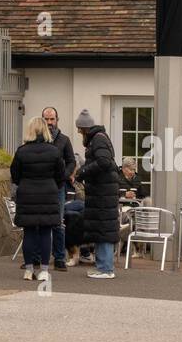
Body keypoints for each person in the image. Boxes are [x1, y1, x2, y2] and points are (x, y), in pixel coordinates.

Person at [10, 116, 66, 282]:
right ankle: (43, 270)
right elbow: (60, 175)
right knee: (45, 232)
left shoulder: (21, 151)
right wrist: (52, 185)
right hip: (48, 193)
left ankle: (28, 269)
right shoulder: (54, 151)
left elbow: (15, 175)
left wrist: (25, 183)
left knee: (28, 233)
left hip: (27, 193)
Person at [74, 110, 120, 279]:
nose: (79, 132)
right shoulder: (99, 138)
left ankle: (106, 268)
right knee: (101, 229)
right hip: (103, 191)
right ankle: (102, 266)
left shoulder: (98, 139)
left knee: (103, 230)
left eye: (79, 129)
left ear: (85, 128)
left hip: (103, 192)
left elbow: (103, 162)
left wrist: (83, 171)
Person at [42, 107, 77, 272]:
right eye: (46, 119)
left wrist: (65, 174)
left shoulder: (64, 140)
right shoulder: (36, 139)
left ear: (57, 120)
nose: (49, 123)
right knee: (38, 223)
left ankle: (59, 258)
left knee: (58, 223)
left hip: (58, 187)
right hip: (40, 186)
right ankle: (36, 258)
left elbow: (71, 161)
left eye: (52, 119)